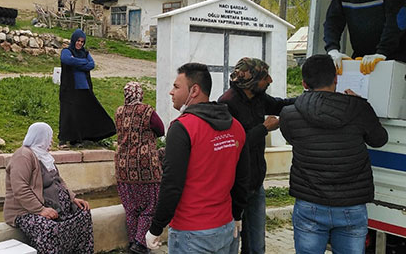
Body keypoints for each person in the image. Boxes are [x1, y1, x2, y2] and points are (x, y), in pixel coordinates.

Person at [279, 54, 388, 254]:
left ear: (303, 83)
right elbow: (379, 139)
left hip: (309, 202)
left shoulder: (289, 114)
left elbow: (293, 138)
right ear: (336, 79)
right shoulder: (359, 108)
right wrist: (362, 105)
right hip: (351, 205)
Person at [146, 62, 250, 254]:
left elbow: (172, 183)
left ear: (194, 90)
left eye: (177, 87)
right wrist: (237, 215)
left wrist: (156, 227)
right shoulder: (235, 126)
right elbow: (242, 179)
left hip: (191, 234)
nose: (171, 92)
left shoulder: (182, 128)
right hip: (226, 228)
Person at [218, 57, 295, 254]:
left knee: (257, 246)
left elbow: (280, 105)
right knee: (231, 246)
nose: (269, 80)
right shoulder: (227, 104)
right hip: (234, 189)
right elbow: (233, 146)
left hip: (255, 184)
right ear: (250, 81)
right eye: (264, 77)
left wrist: (312, 95)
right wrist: (263, 128)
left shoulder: (258, 97)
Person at [3, 122, 94, 254]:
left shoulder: (44, 157)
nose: (51, 141)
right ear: (39, 137)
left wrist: (72, 198)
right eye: (48, 137)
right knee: (47, 227)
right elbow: (20, 188)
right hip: (26, 211)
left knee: (83, 214)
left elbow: (58, 181)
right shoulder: (23, 156)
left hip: (53, 207)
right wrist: (40, 210)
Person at [114, 81, 165, 254]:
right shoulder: (147, 111)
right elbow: (161, 129)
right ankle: (141, 244)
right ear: (140, 94)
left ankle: (132, 242)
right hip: (145, 168)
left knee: (131, 209)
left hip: (123, 167)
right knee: (149, 208)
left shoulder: (119, 112)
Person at [58, 29, 116, 146]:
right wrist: (82, 62)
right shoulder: (67, 51)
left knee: (85, 113)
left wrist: (76, 62)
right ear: (74, 40)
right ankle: (66, 139)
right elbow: (66, 59)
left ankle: (84, 137)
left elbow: (92, 64)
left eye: (82, 42)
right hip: (70, 89)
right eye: (78, 41)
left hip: (84, 88)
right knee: (69, 114)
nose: (80, 43)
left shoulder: (85, 53)